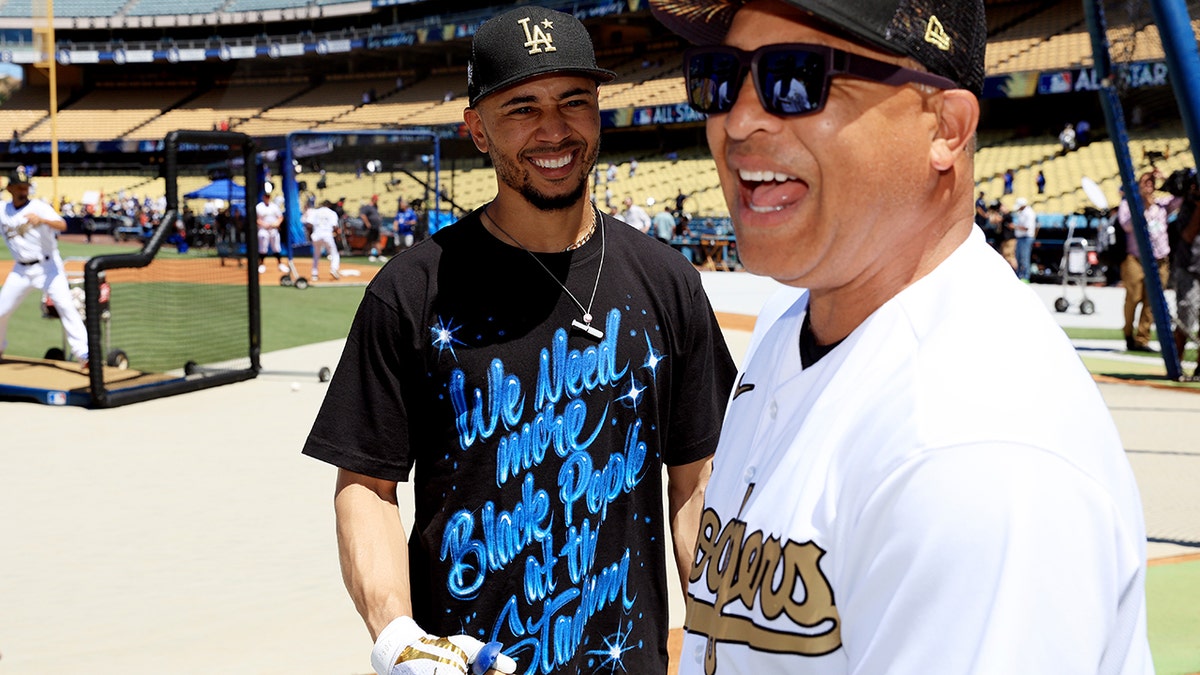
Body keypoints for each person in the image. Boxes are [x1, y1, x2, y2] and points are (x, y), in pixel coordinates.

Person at [651, 0, 1153, 673]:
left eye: (795, 76)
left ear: (945, 127)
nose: (739, 119)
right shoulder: (793, 322)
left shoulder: (973, 449)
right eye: (717, 77)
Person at [302, 7, 737, 675]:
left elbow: (695, 480)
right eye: (522, 108)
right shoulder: (412, 290)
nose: (554, 129)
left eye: (574, 102)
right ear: (476, 128)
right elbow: (366, 485)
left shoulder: (667, 281)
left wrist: (719, 633)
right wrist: (395, 633)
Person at [0, 167, 89, 366]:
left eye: (26, 187)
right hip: (21, 270)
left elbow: (62, 225)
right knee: (1, 310)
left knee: (66, 306)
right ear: (10, 189)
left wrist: (43, 220)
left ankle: (84, 354)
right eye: (19, 187)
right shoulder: (3, 210)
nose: (23, 191)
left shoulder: (38, 207)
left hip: (48, 267)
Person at [1119, 170, 1175, 353]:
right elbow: (1126, 225)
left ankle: (1142, 339)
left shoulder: (1161, 204)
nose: (1149, 184)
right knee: (1133, 297)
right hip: (1136, 258)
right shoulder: (1129, 203)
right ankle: (1128, 333)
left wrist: (1166, 179)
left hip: (1159, 260)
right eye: (1145, 181)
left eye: (1152, 181)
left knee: (1152, 301)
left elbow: (1181, 198)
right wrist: (1142, 205)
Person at [303, 198, 341, 281]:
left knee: (316, 255)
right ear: (329, 205)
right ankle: (333, 269)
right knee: (334, 254)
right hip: (327, 235)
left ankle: (314, 274)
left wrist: (309, 235)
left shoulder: (315, 212)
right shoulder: (332, 213)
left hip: (316, 235)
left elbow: (308, 224)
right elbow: (335, 226)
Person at [255, 191, 286, 274]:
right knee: (263, 248)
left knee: (276, 247)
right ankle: (261, 265)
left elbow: (280, 217)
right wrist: (264, 224)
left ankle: (280, 264)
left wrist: (276, 223)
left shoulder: (274, 206)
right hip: (263, 229)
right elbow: (256, 219)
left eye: (268, 196)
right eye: (265, 196)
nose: (267, 198)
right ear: (263, 197)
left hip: (273, 229)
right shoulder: (259, 207)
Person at [1012, 196, 1037, 281]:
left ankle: (1026, 277)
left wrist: (1014, 227)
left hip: (1026, 238)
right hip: (1020, 238)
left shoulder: (1029, 213)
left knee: (1024, 258)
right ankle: (1019, 276)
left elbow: (1026, 228)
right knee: (1018, 257)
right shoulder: (1022, 212)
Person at [358, 195, 384, 260]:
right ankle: (369, 254)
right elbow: (362, 215)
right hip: (371, 227)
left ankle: (379, 254)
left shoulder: (375, 207)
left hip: (376, 227)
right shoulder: (367, 207)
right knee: (370, 241)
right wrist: (367, 223)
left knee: (377, 241)